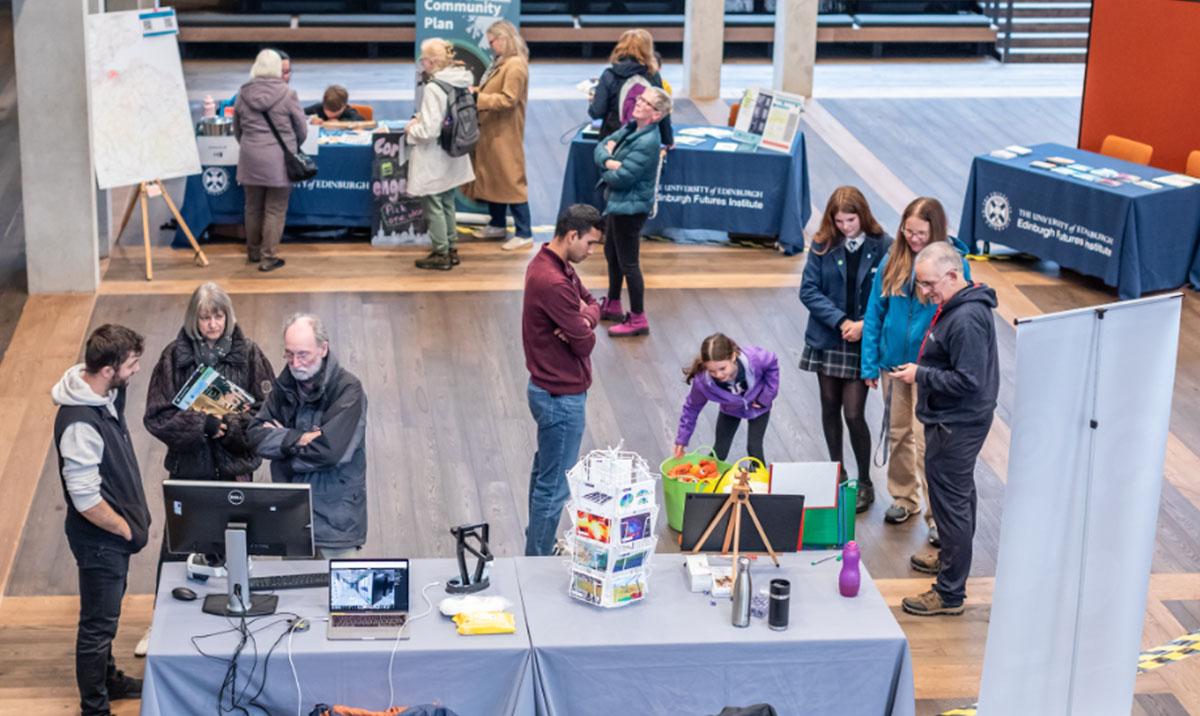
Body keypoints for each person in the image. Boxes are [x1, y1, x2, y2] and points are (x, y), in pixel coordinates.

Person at [142, 283, 275, 589]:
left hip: (235, 475)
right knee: (179, 561)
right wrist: (201, 426)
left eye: (219, 316)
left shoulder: (251, 353)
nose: (213, 324)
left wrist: (230, 429)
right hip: (189, 473)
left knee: (237, 559)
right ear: (194, 320)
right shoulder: (173, 357)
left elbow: (268, 414)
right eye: (205, 318)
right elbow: (156, 416)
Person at [890, 241, 999, 617]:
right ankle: (952, 562)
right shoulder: (958, 306)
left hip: (957, 424)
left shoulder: (966, 319)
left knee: (952, 507)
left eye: (929, 284)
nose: (924, 292)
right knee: (958, 499)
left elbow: (969, 380)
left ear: (954, 276)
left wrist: (921, 374)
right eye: (920, 284)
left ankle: (950, 593)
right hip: (953, 421)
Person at [861, 197, 971, 546]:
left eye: (921, 232)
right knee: (897, 433)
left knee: (927, 443)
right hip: (893, 364)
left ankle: (936, 516)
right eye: (908, 230)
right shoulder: (891, 259)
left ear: (935, 231)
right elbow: (874, 313)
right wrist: (869, 363)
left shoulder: (955, 267)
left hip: (928, 370)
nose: (913, 238)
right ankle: (903, 498)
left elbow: (957, 316)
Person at [52, 324, 148, 716]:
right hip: (101, 542)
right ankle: (95, 706)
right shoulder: (79, 424)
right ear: (107, 369)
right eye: (131, 363)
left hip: (111, 541)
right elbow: (86, 500)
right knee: (97, 626)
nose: (136, 370)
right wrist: (125, 530)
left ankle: (109, 679)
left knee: (107, 615)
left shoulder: (102, 393)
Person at [799, 186, 891, 513]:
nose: (845, 227)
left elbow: (889, 294)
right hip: (830, 337)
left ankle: (865, 480)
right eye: (839, 221)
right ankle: (837, 474)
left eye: (850, 220)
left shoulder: (884, 245)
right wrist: (841, 322)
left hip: (862, 340)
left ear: (862, 215)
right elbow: (808, 291)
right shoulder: (823, 243)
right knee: (829, 406)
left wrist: (863, 324)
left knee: (853, 413)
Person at [248, 314, 368, 559]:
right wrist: (297, 438)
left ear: (323, 349)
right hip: (292, 517)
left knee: (341, 596)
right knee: (296, 594)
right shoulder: (283, 386)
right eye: (289, 354)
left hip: (335, 523)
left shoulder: (348, 390)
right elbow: (255, 436)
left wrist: (282, 451)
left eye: (303, 354)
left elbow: (329, 453)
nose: (295, 363)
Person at [521, 204, 605, 556]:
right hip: (560, 398)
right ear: (572, 235)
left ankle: (536, 544)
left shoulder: (554, 264)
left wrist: (583, 317)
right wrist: (584, 325)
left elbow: (591, 301)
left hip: (550, 390)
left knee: (546, 474)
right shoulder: (554, 281)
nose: (591, 251)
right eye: (589, 243)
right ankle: (536, 558)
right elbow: (585, 344)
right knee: (553, 487)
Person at [593, 87, 671, 338]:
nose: (638, 103)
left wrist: (606, 166)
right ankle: (614, 303)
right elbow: (602, 146)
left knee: (629, 262)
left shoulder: (648, 141)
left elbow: (623, 178)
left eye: (645, 102)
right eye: (639, 98)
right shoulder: (630, 128)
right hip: (619, 204)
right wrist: (609, 160)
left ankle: (638, 318)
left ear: (656, 114)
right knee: (611, 253)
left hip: (631, 207)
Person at [233, 48, 307, 273]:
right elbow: (301, 129)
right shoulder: (287, 94)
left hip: (250, 157)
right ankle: (269, 257)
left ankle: (253, 252)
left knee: (253, 207)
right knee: (275, 209)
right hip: (278, 161)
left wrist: (250, 146)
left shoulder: (242, 94)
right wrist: (292, 146)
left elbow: (237, 129)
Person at [407, 38, 476, 271]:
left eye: (423, 59)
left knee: (433, 202)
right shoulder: (460, 81)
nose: (421, 63)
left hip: (435, 154)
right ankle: (451, 245)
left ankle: (440, 252)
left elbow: (429, 131)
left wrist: (411, 128)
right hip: (453, 151)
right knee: (447, 200)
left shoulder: (434, 88)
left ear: (433, 61)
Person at [466, 20, 533, 252]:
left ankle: (524, 232)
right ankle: (497, 224)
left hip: (505, 131)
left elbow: (508, 99)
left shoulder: (515, 66)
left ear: (504, 39)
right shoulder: (502, 63)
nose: (490, 46)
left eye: (492, 42)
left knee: (511, 179)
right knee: (494, 177)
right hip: (491, 129)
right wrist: (478, 92)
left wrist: (478, 99)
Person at [673, 333, 780, 464]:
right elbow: (691, 408)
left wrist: (766, 397)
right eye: (712, 371)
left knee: (754, 449)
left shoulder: (755, 358)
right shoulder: (703, 382)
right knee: (720, 451)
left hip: (759, 407)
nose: (718, 375)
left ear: (733, 356)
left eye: (722, 368)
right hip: (730, 410)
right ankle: (708, 480)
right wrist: (682, 440)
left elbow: (772, 363)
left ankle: (761, 481)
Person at [588, 29, 673, 147]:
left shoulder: (609, 75)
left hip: (612, 141)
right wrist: (668, 140)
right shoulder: (653, 76)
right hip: (646, 141)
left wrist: (592, 101)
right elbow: (663, 111)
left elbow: (597, 113)